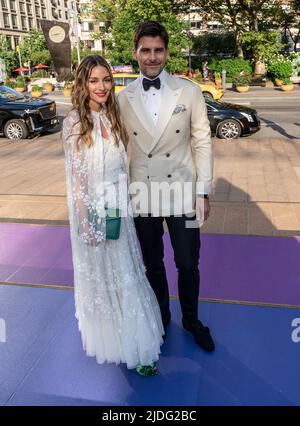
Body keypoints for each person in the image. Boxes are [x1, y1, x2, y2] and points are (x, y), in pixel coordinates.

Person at [62, 55, 164, 377]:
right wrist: (87, 224)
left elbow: (124, 166)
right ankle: (118, 341)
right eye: (94, 80)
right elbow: (76, 182)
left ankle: (137, 344)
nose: (102, 86)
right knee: (104, 281)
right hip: (92, 213)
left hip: (120, 210)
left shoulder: (113, 115)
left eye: (106, 79)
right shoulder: (74, 124)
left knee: (127, 276)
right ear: (83, 83)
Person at [118, 21, 215, 352]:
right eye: (145, 50)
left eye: (158, 50)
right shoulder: (122, 97)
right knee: (152, 264)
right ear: (136, 53)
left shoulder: (189, 92)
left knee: (189, 263)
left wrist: (203, 191)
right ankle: (159, 318)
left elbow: (202, 140)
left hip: (184, 192)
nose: (152, 56)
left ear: (167, 53)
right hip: (141, 193)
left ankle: (191, 320)